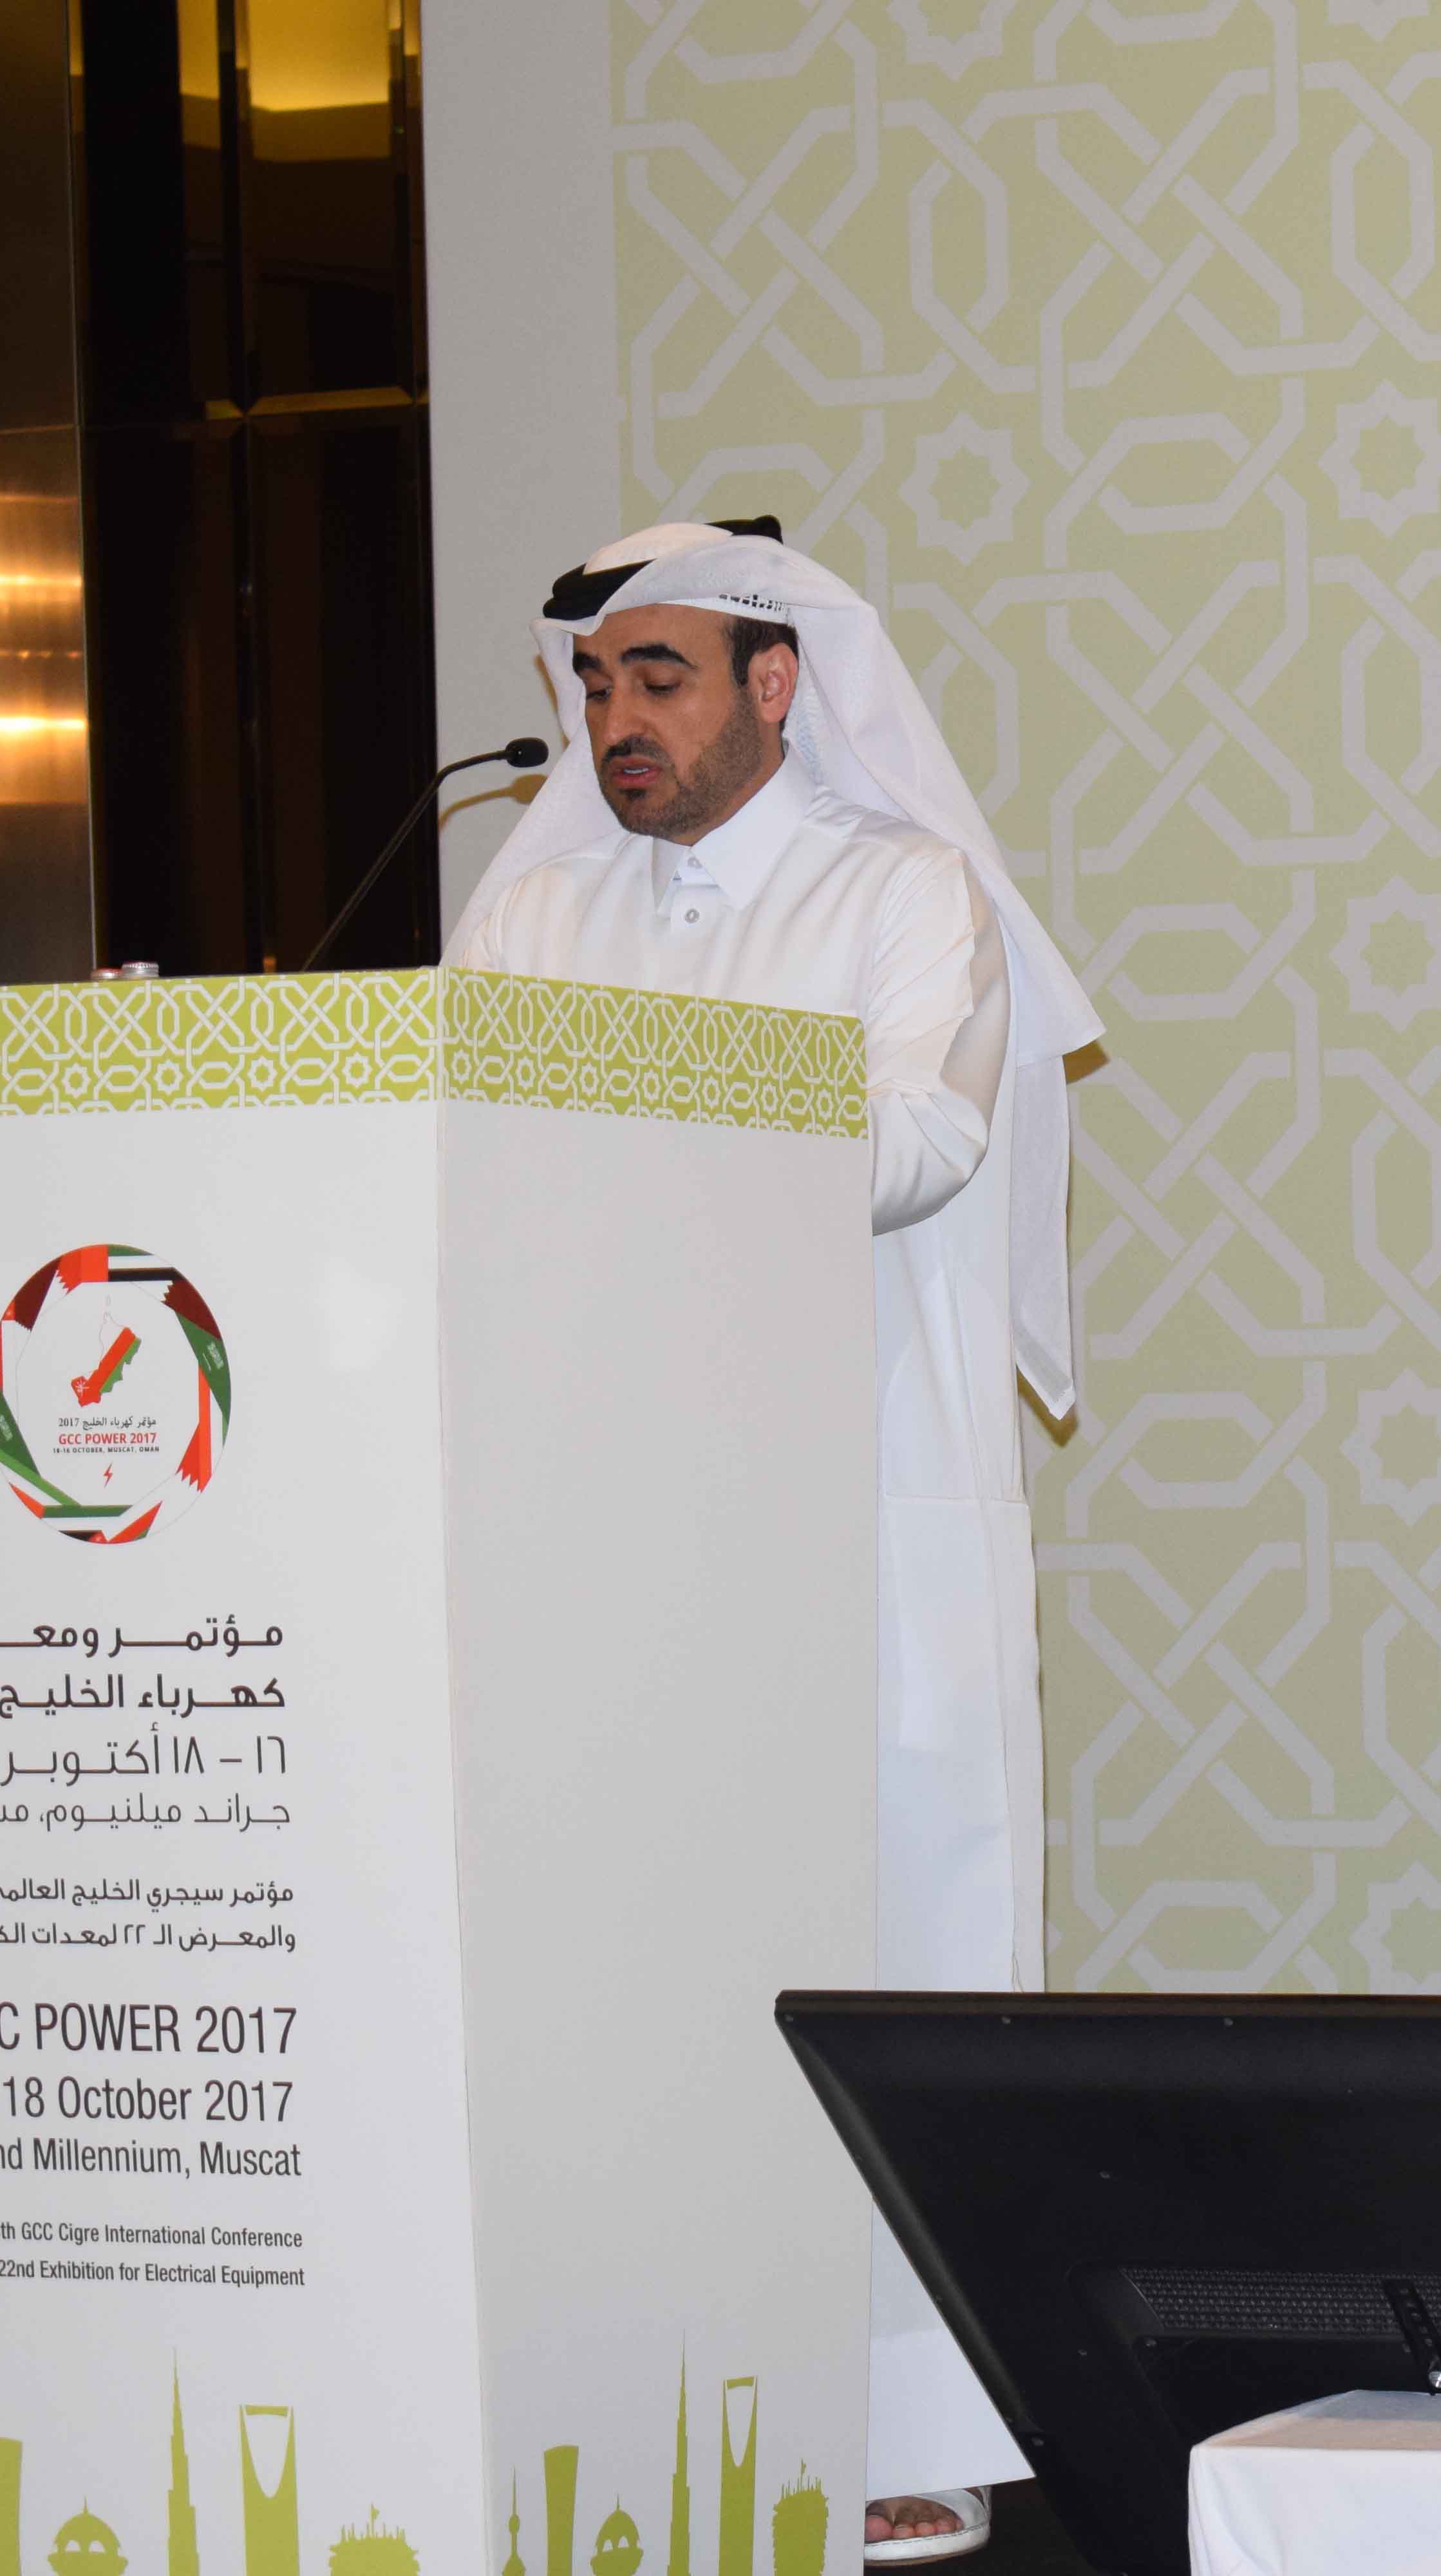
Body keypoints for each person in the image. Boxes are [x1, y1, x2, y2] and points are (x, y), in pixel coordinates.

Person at [447, 521, 1102, 2557]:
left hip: (853, 1511)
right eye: (594, 686)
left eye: (658, 677)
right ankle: (623, 2380)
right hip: (593, 1511)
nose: (615, 720)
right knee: (622, 1959)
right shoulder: (535, 901)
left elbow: (918, 1142)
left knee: (886, 1936)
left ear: (777, 683)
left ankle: (904, 2416)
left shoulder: (901, 891)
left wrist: (632, 1104)